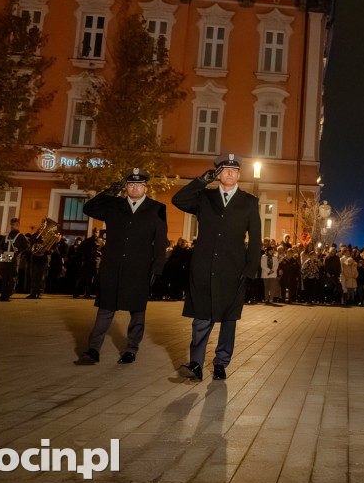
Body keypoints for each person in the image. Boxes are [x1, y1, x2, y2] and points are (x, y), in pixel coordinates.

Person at [172, 153, 261, 381]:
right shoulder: (205, 197)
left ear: (239, 174)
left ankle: (221, 363)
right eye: (224, 170)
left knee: (228, 319)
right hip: (203, 268)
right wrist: (202, 180)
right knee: (201, 317)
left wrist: (250, 271)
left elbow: (256, 240)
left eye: (233, 170)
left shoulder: (249, 202)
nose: (229, 173)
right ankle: (196, 365)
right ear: (218, 174)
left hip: (234, 271)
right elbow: (179, 200)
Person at [75, 169, 168, 365]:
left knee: (137, 312)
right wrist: (110, 191)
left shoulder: (157, 208)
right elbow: (89, 209)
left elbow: (160, 242)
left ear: (146, 188)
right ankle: (93, 350)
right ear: (125, 188)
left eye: (139, 185)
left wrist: (157, 269)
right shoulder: (114, 205)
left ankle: (131, 350)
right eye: (131, 185)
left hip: (139, 269)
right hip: (112, 267)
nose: (135, 188)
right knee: (105, 309)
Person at [0, 217, 29, 301]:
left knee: (12, 275)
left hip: (14, 257)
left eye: (16, 225)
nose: (14, 226)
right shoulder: (6, 236)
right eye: (13, 224)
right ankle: (3, 294)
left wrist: (18, 249)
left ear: (18, 225)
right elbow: (0, 246)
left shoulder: (21, 236)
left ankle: (9, 294)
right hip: (6, 255)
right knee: (4, 275)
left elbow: (27, 247)